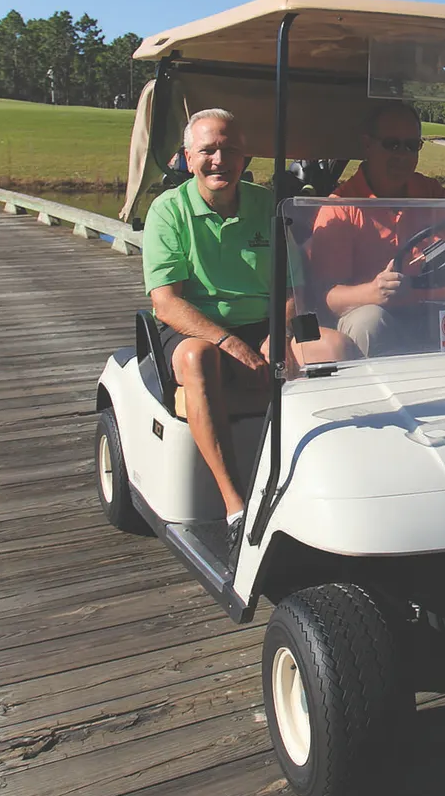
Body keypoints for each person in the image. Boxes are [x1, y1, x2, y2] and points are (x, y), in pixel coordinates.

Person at [143, 108, 350, 538]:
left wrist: (282, 330)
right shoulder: (168, 211)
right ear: (187, 156)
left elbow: (294, 286)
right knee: (201, 360)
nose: (219, 160)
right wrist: (229, 342)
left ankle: (323, 477)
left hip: (265, 323)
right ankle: (234, 501)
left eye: (230, 149)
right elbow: (166, 304)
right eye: (208, 150)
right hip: (195, 329)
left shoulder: (266, 206)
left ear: (245, 157)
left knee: (335, 347)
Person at [306, 101, 445, 355]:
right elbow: (327, 297)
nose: (402, 155)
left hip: (438, 311)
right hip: (378, 313)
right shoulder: (340, 209)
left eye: (411, 146)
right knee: (370, 324)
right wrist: (373, 291)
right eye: (392, 144)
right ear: (368, 144)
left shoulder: (432, 194)